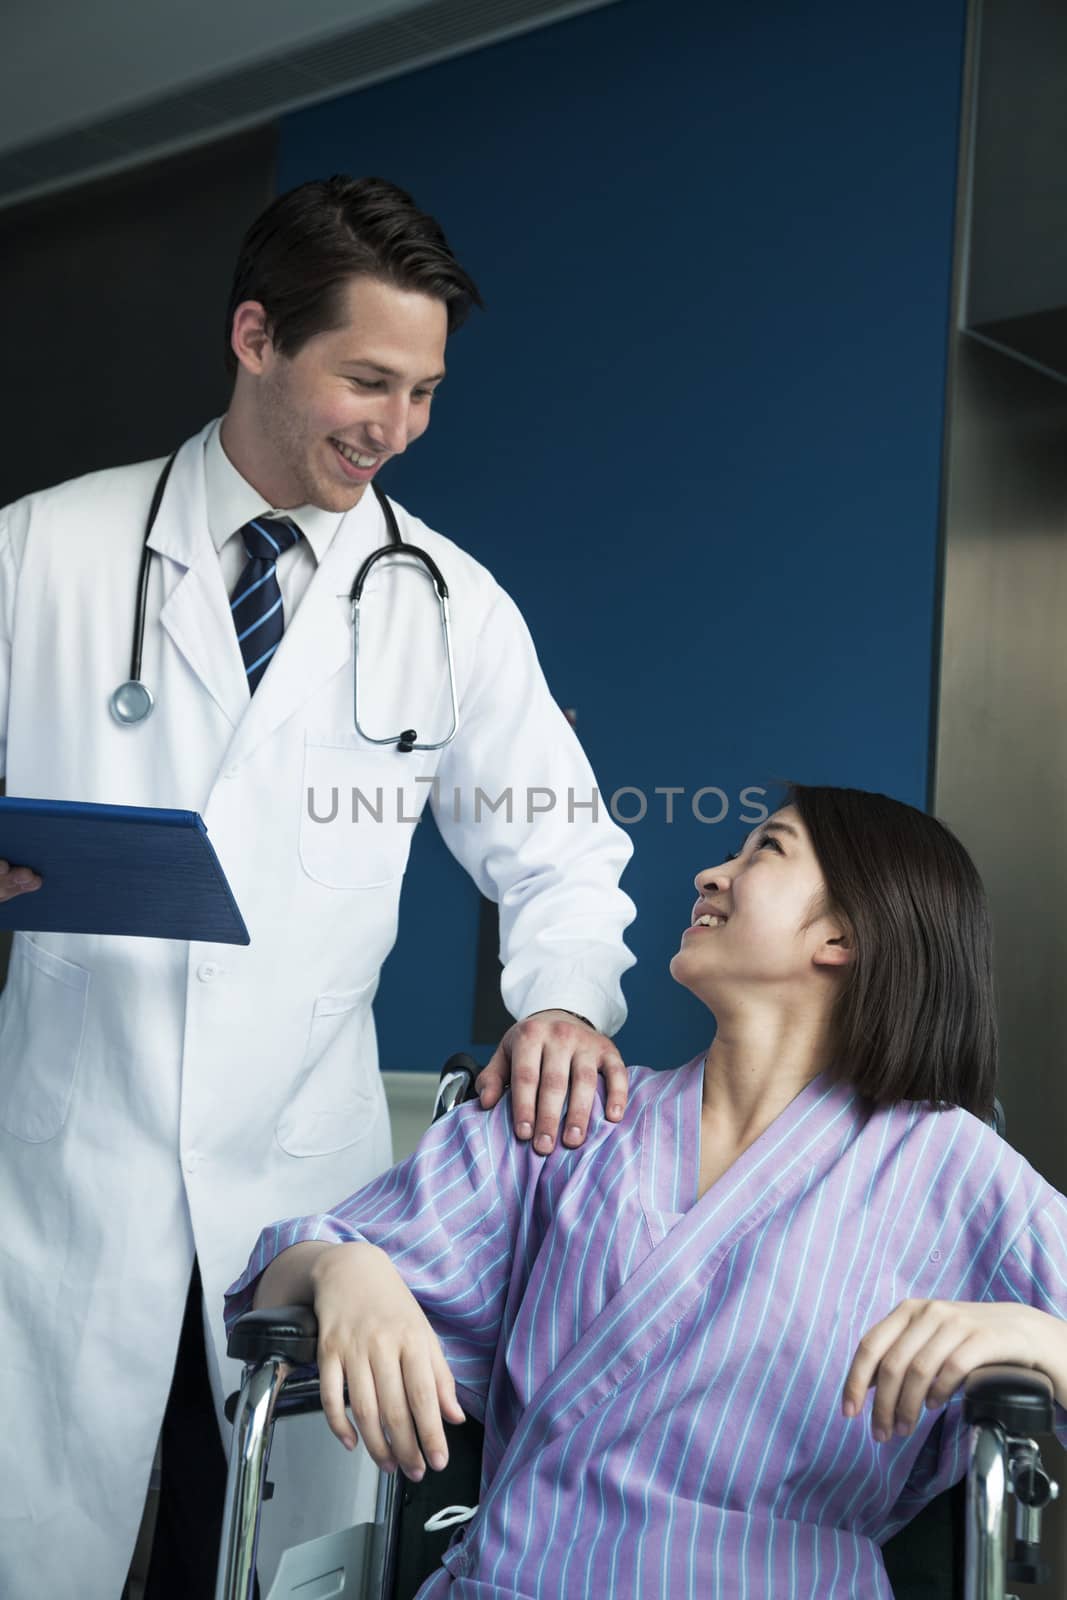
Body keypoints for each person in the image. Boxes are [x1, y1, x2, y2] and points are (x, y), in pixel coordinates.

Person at [0, 175, 637, 1600]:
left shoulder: (451, 606)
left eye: (423, 391)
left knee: (260, 1562)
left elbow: (561, 843)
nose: (397, 427)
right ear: (252, 338)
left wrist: (563, 1004)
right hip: (57, 1185)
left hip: (306, 1190)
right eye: (365, 378)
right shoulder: (41, 551)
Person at [231, 785, 1067, 1598]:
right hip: (520, 1579)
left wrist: (1040, 1337)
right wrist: (340, 1269)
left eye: (764, 851)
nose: (710, 875)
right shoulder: (569, 1113)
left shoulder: (949, 1166)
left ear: (842, 935)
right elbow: (273, 1284)